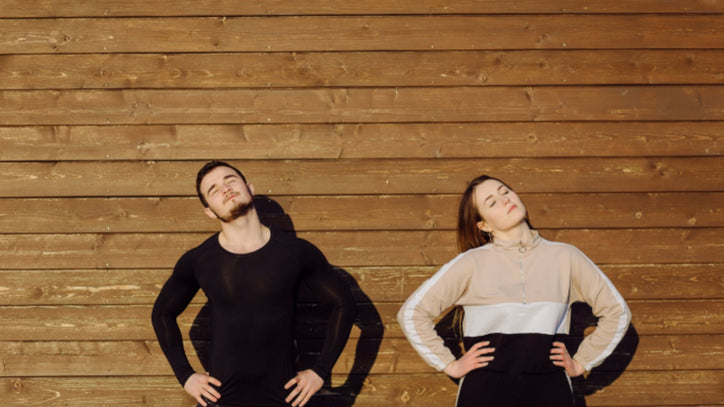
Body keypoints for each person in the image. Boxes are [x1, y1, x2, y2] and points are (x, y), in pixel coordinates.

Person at [397, 175, 631, 406]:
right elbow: (412, 314)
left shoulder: (566, 257)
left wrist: (581, 362)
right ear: (484, 225)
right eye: (492, 202)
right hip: (483, 395)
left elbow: (617, 312)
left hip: (551, 392)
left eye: (505, 191)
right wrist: (450, 364)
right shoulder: (471, 263)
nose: (505, 199)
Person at [152, 161, 355, 407]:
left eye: (230, 180)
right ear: (209, 211)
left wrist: (320, 371)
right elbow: (162, 313)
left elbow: (344, 304)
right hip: (222, 401)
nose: (225, 189)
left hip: (284, 400)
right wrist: (186, 376)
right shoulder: (200, 260)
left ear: (249, 188)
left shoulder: (296, 252)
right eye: (214, 190)